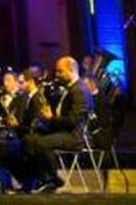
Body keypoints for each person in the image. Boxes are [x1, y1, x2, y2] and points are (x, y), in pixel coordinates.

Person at [25, 56, 92, 192]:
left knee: (42, 143)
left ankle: (53, 179)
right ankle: (40, 178)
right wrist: (48, 117)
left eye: (60, 71)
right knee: (29, 139)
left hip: (75, 137)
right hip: (65, 131)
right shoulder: (70, 88)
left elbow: (74, 120)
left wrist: (51, 119)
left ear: (71, 70)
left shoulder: (79, 90)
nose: (57, 75)